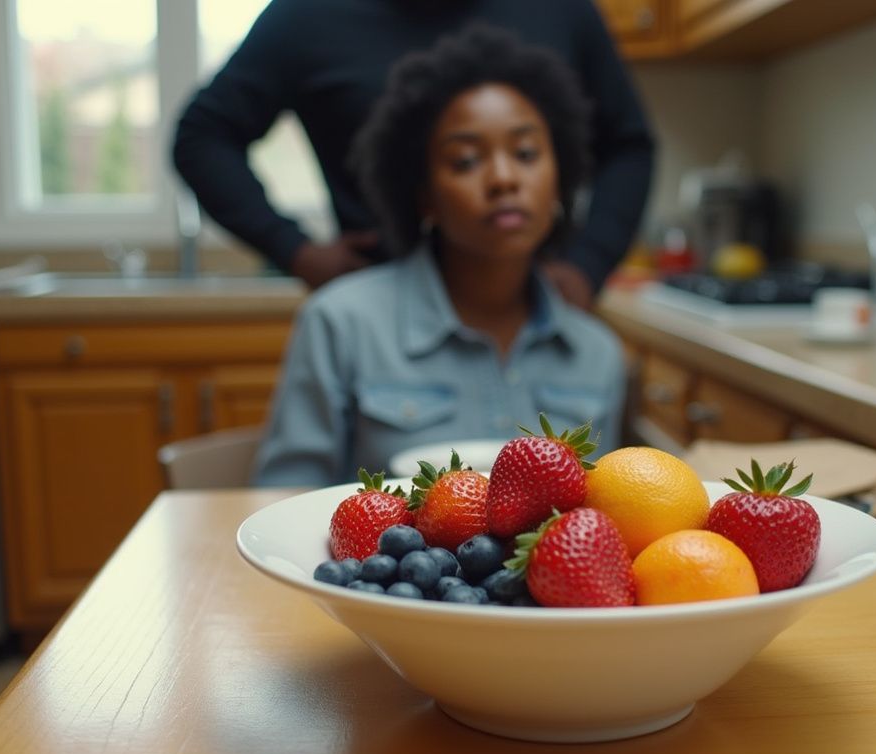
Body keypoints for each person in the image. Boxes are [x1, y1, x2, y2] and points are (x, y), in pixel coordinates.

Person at [252, 26, 626, 487]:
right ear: (424, 195)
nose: (504, 178)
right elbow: (283, 501)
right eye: (466, 161)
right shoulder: (339, 324)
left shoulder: (598, 354)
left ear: (560, 176)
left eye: (526, 153)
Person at [173, 0, 654, 309]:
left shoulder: (562, 10)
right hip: (379, 320)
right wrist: (294, 249)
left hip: (537, 313)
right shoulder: (305, 15)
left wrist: (590, 264)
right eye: (465, 161)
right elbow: (202, 135)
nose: (503, 178)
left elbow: (629, 143)